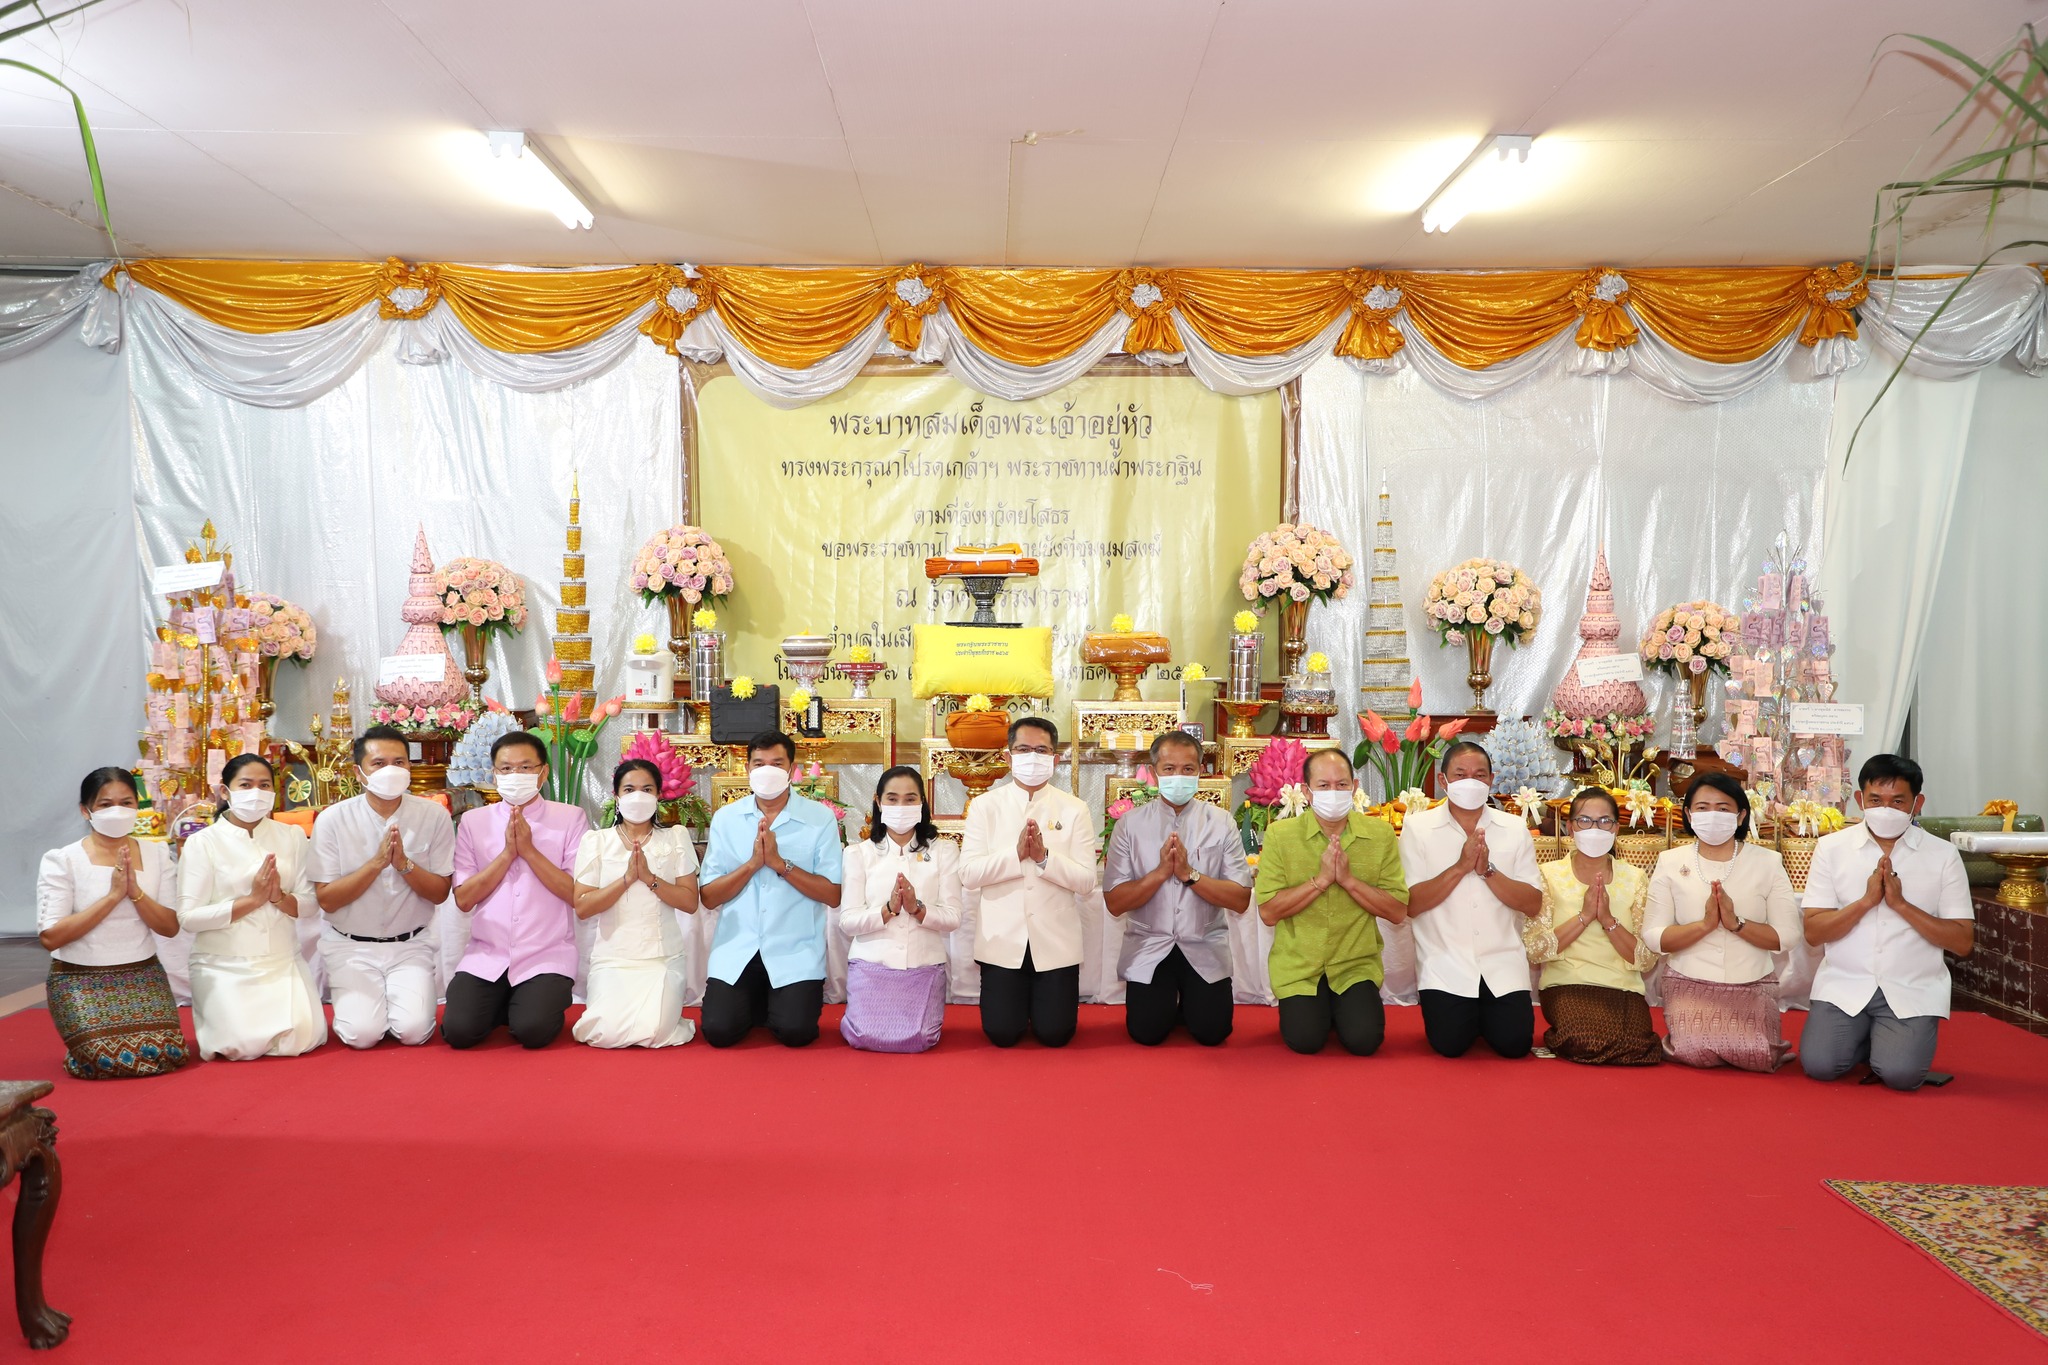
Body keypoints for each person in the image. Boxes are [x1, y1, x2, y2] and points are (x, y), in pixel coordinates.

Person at [1800, 754, 1973, 1091]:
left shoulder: (1943, 856)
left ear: (1917, 803)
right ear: (1859, 799)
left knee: (1901, 1076)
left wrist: (1901, 905)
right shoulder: (1831, 849)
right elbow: (1814, 932)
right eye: (1876, 800)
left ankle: (1890, 1040)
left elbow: (1962, 941)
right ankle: (1869, 1039)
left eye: (1898, 801)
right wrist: (1866, 902)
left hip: (1912, 986)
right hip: (1845, 984)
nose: (1886, 809)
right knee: (1820, 1065)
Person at [35, 767, 190, 1078]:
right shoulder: (63, 859)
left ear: (138, 807)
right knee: (104, 1060)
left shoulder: (157, 854)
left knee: (168, 1054)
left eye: (126, 803)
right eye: (105, 804)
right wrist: (112, 896)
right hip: (79, 977)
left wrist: (135, 893)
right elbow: (51, 937)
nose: (117, 811)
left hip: (141, 973)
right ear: (86, 810)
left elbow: (169, 927)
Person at [1642, 771, 1800, 1072]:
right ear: (1689, 814)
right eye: (1702, 808)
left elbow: (1788, 936)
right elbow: (1653, 936)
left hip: (1751, 981)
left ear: (1741, 816)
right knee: (1694, 1052)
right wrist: (1704, 925)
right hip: (1689, 980)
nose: (1712, 815)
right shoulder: (1670, 861)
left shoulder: (1768, 862)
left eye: (1723, 808)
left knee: (1758, 1057)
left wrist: (1735, 923)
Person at [308, 725, 455, 1049]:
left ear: (410, 767)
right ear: (358, 772)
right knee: (362, 1035)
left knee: (414, 1032)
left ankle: (396, 1003)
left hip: (410, 945)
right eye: (379, 763)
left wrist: (403, 865)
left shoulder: (433, 816)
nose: (391, 770)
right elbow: (327, 900)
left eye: (399, 762)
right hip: (351, 947)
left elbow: (440, 892)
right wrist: (376, 864)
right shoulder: (333, 820)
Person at [1254, 748, 1408, 1056]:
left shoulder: (1379, 835)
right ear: (1307, 791)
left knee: (1365, 1041)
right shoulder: (1281, 835)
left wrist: (1349, 881)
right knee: (1306, 1040)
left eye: (1341, 784)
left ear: (1355, 787)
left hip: (1355, 963)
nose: (1333, 792)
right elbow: (1269, 912)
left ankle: (1343, 1010)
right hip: (1300, 965)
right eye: (1323, 786)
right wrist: (1321, 881)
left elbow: (1397, 911)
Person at [1103, 731, 1253, 1046]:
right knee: (1146, 1033)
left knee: (1213, 1033)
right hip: (1149, 946)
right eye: (1169, 769)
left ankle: (1191, 1004)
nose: (1178, 777)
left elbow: (1240, 899)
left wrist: (1189, 875)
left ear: (1200, 771)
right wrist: (1160, 873)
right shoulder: (1129, 825)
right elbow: (1115, 902)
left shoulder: (1221, 822)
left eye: (1188, 769)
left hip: (1204, 945)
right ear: (1154, 772)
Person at [176, 753, 328, 1060]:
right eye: (245, 785)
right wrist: (252, 901)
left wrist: (279, 898)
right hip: (224, 966)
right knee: (239, 1046)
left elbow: (311, 904)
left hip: (282, 961)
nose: (256, 793)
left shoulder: (292, 836)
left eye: (264, 785)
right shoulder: (203, 843)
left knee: (301, 1040)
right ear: (225, 791)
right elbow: (188, 919)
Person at [1397, 740, 1543, 1059]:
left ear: (1491, 780)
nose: (1470, 782)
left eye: (1479, 775)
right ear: (1443, 780)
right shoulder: (1418, 828)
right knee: (1450, 1044)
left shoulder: (1514, 827)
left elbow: (1532, 904)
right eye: (1460, 775)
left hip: (1502, 962)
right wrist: (1460, 867)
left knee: (1515, 1045)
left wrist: (1487, 871)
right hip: (1444, 963)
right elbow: (1411, 905)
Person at [698, 731, 843, 1047]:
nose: (767, 771)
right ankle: (757, 1001)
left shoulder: (819, 819)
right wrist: (753, 864)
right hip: (738, 948)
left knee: (796, 1032)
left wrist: (780, 864)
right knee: (719, 1032)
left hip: (795, 949)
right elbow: (708, 896)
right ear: (747, 769)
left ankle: (774, 1003)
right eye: (759, 763)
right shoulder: (726, 819)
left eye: (777, 764)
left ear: (792, 769)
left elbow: (832, 894)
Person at [960, 716, 1097, 1048]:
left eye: (1041, 750)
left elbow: (1086, 881)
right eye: (1023, 749)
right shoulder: (984, 806)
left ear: (1055, 759)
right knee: (1002, 1034)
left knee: (1056, 1034)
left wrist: (1044, 858)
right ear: (1008, 757)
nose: (1032, 757)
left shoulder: (1075, 809)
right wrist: (1016, 854)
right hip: (1001, 941)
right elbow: (969, 875)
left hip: (1056, 941)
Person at [445, 731, 587, 1050]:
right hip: (488, 953)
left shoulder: (570, 819)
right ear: (494, 775)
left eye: (525, 767)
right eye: (506, 768)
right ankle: (504, 1003)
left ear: (543, 772)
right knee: (460, 1032)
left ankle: (523, 1004)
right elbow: (464, 899)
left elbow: (576, 895)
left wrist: (530, 852)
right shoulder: (473, 822)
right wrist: (508, 853)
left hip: (546, 953)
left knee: (533, 1030)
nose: (515, 775)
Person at [1522, 786, 1661, 1065]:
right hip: (1567, 982)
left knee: (1640, 1046)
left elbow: (1646, 958)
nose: (1595, 829)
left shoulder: (1634, 878)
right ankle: (1563, 1036)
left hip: (1622, 986)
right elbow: (1535, 949)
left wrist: (1608, 920)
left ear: (1616, 829)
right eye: (1585, 820)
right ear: (1571, 828)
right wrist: (1584, 916)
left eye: (1604, 821)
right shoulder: (1548, 875)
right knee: (1585, 1040)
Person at [571, 759, 701, 1048]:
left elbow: (690, 902)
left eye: (647, 789)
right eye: (629, 789)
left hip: (661, 959)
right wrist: (627, 879)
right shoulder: (597, 841)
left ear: (658, 795)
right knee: (605, 1033)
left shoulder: (675, 837)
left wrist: (650, 878)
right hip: (613, 960)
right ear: (616, 796)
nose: (638, 796)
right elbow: (583, 906)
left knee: (654, 1031)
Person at [838, 767, 961, 1053]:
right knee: (862, 1036)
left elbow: (953, 918)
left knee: (921, 1039)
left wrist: (917, 909)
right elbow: (848, 921)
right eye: (892, 799)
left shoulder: (944, 851)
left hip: (923, 966)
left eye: (910, 799)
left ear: (922, 803)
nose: (901, 806)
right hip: (871, 965)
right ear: (878, 802)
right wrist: (888, 910)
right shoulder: (858, 854)